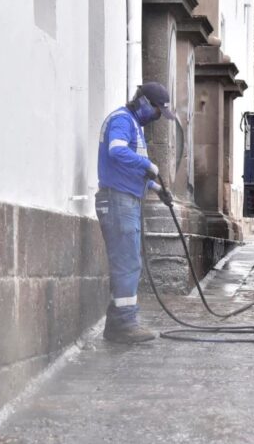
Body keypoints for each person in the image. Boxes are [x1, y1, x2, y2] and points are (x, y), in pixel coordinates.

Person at [95, 82, 175, 344]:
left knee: (127, 262)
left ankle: (117, 323)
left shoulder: (134, 126)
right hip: (118, 201)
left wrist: (154, 187)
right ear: (143, 102)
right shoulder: (122, 120)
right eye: (156, 110)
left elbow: (128, 170)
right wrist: (148, 164)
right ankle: (125, 324)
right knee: (127, 263)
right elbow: (116, 151)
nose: (157, 116)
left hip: (125, 199)